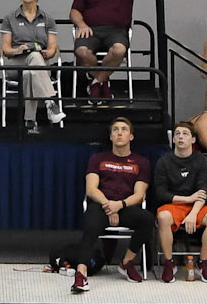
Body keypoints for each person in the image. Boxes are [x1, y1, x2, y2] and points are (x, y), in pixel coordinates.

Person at [60, 115, 151, 294]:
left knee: (147, 219)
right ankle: (81, 274)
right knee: (91, 224)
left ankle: (126, 262)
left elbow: (140, 195)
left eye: (124, 130)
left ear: (131, 137)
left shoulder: (142, 162)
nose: (119, 133)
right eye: (115, 130)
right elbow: (91, 189)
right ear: (110, 136)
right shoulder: (98, 158)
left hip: (126, 207)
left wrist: (120, 205)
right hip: (101, 206)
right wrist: (109, 205)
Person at [69, 0, 173, 101]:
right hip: (91, 30)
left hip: (117, 31)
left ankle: (96, 82)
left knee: (118, 50)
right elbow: (74, 11)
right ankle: (103, 82)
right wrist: (82, 24)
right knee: (81, 51)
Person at [153, 119, 207, 281]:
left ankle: (203, 262)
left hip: (196, 206)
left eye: (185, 134)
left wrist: (193, 213)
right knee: (163, 217)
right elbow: (160, 193)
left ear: (193, 139)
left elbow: (203, 190)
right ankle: (169, 262)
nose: (181, 137)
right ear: (173, 140)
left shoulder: (202, 161)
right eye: (177, 134)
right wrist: (187, 199)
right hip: (173, 204)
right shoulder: (164, 162)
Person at [0, 0, 64, 134]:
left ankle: (30, 121)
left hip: (40, 64)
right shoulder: (10, 18)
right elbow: (5, 50)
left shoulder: (47, 18)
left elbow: (53, 48)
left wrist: (48, 52)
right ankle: (50, 103)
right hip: (17, 63)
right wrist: (17, 50)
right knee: (31, 64)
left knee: (32, 69)